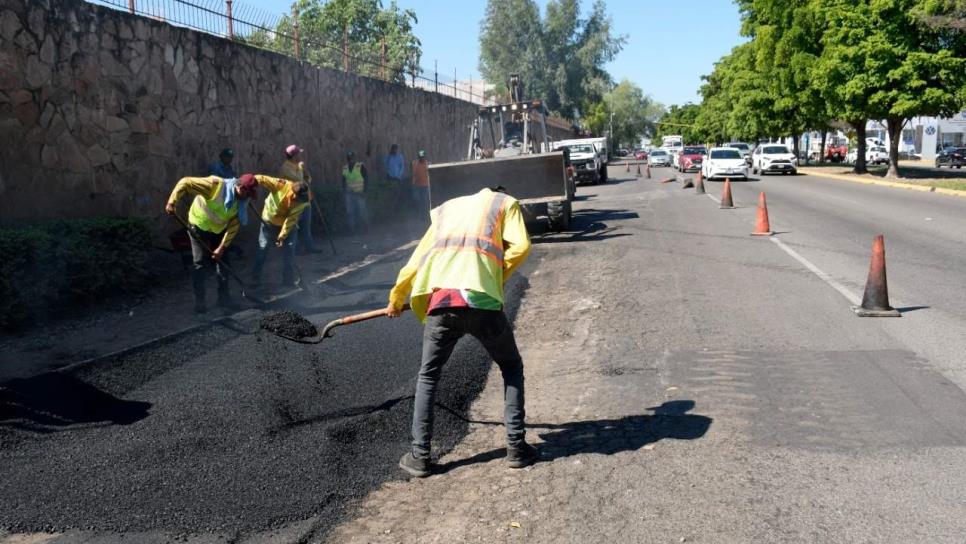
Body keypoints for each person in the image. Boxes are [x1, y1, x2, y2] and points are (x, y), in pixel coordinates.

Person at [387, 186, 536, 477]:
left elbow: (416, 261)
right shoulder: (506, 204)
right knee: (511, 366)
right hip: (482, 302)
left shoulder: (447, 209)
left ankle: (419, 456)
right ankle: (516, 447)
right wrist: (493, 279)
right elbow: (521, 247)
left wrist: (396, 298)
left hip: (442, 302)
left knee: (428, 375)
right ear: (498, 194)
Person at [165, 173, 258, 313]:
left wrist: (221, 248)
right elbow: (185, 182)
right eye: (247, 193)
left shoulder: (242, 202)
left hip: (218, 229)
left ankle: (224, 299)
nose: (247, 197)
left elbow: (233, 226)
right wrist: (172, 202)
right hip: (198, 225)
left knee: (224, 262)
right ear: (240, 187)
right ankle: (200, 302)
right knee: (199, 263)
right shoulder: (215, 185)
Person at [251, 178, 310, 288]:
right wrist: (249, 184)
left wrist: (281, 237)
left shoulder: (302, 202)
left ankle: (288, 280)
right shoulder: (281, 185)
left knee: (290, 250)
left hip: (287, 224)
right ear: (293, 193)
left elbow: (291, 220)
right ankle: (255, 279)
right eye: (299, 198)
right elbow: (261, 178)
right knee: (263, 248)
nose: (300, 201)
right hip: (269, 220)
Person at [279, 145, 317, 253]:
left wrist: (305, 172)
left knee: (306, 227)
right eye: (298, 154)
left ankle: (310, 248)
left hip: (305, 199)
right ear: (293, 155)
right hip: (294, 202)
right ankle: (294, 249)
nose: (300, 155)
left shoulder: (298, 166)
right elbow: (298, 180)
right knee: (293, 227)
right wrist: (301, 169)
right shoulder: (285, 168)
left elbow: (308, 179)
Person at [342, 150, 369, 234]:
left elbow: (366, 179)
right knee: (350, 212)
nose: (350, 159)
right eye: (349, 158)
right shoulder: (345, 168)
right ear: (347, 159)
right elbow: (343, 181)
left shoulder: (360, 166)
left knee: (362, 212)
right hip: (349, 194)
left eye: (351, 158)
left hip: (360, 193)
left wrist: (365, 191)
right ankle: (351, 229)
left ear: (354, 158)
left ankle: (365, 229)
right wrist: (344, 192)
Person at [410, 149, 430, 219]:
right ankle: (417, 214)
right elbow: (412, 170)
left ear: (425, 157)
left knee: (424, 201)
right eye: (420, 157)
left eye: (423, 157)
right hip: (416, 185)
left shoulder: (427, 164)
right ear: (418, 157)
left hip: (425, 185)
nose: (422, 158)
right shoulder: (415, 163)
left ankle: (424, 215)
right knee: (416, 199)